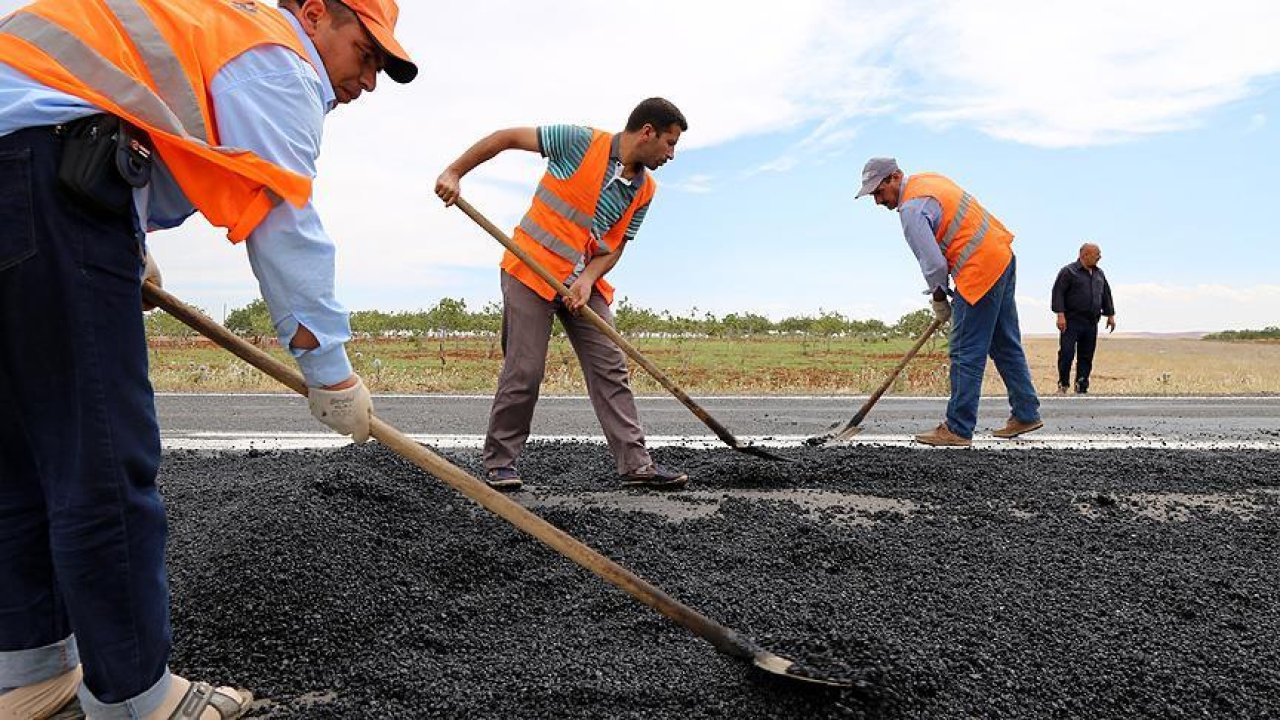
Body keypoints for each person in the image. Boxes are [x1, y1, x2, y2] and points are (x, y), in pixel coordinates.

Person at [0, 0, 416, 717]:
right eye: (367, 52)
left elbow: (69, 113)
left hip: (28, 171)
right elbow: (284, 221)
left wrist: (122, 238)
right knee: (102, 458)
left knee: (21, 452)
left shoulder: (210, 29)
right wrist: (330, 370)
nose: (369, 79)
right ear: (315, 13)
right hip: (50, 169)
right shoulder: (277, 55)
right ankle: (135, 696)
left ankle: (30, 672)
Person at [435, 99, 689, 491]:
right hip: (530, 269)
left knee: (611, 366)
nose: (671, 154)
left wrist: (587, 280)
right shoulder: (578, 142)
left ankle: (636, 466)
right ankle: (500, 462)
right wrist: (454, 172)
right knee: (525, 368)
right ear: (648, 132)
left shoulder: (645, 189)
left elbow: (616, 245)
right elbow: (505, 138)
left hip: (582, 284)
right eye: (669, 143)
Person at [855, 157, 1043, 447]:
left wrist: (939, 298)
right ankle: (1026, 413)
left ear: (895, 177)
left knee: (964, 350)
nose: (877, 202)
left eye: (879, 192)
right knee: (1005, 343)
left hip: (979, 269)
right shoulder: (929, 180)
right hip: (1001, 257)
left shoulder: (911, 209)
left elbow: (933, 264)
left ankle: (958, 427)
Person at [1051, 242, 1116, 394]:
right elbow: (1058, 293)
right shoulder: (1068, 272)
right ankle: (1063, 384)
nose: (1100, 257)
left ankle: (1082, 385)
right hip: (1071, 321)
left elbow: (1106, 294)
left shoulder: (1099, 274)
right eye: (1096, 254)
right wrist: (1060, 315)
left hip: (1091, 321)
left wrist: (1110, 315)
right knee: (1067, 353)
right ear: (1084, 255)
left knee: (1086, 355)